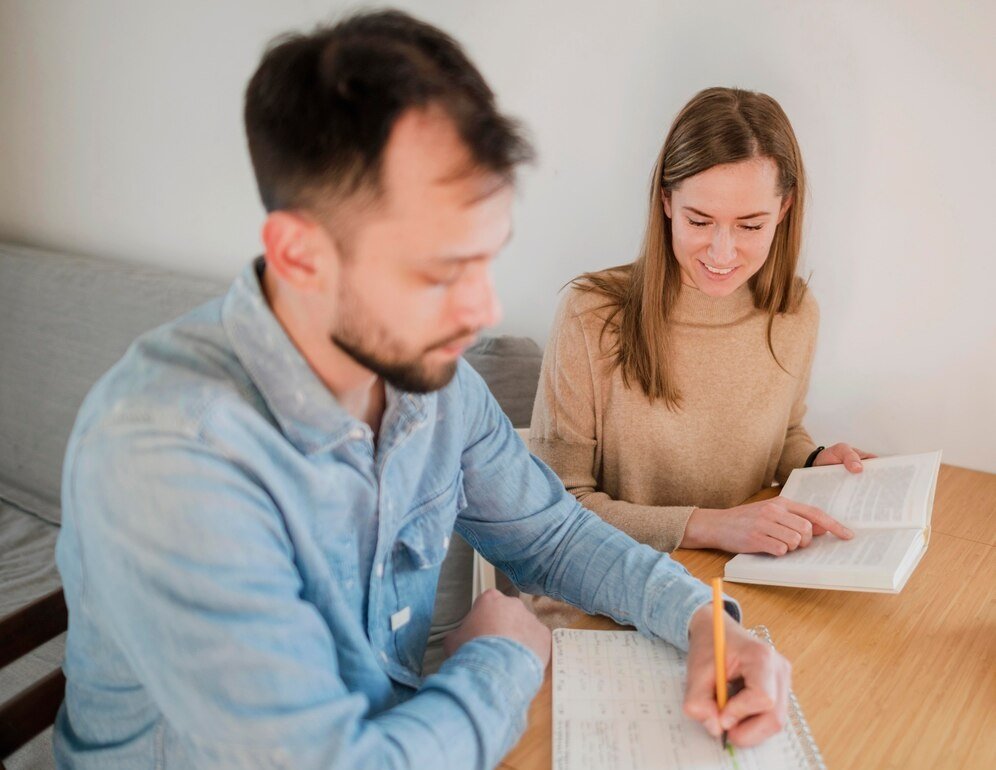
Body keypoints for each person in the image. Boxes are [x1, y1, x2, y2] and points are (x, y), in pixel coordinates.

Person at [54, 15, 791, 769]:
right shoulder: (169, 455)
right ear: (299, 255)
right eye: (439, 272)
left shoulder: (426, 384)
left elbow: (553, 535)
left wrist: (707, 622)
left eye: (485, 259)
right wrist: (501, 658)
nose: (481, 312)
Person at [529, 87, 873, 628]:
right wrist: (711, 525)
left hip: (737, 586)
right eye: (699, 220)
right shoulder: (591, 315)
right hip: (600, 598)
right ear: (665, 201)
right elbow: (554, 510)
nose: (721, 252)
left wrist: (811, 460)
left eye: (750, 226)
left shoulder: (795, 312)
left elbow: (782, 435)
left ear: (784, 209)